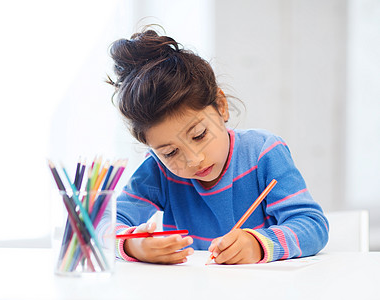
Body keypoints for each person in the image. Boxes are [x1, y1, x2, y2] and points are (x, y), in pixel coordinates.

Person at [104, 28, 329, 265]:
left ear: (221, 106)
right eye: (170, 152)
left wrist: (258, 244)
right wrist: (132, 243)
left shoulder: (263, 152)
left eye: (199, 135)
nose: (193, 159)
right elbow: (100, 224)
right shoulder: (158, 170)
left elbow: (312, 225)